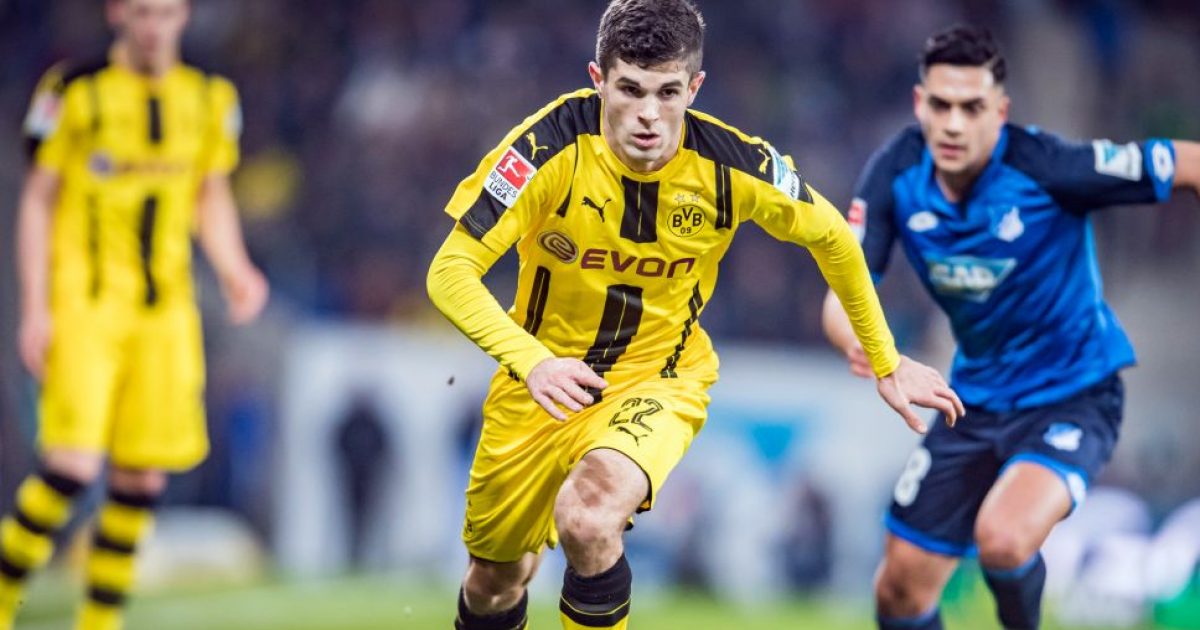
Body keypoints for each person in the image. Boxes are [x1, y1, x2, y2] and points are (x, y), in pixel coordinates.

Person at [426, 1, 963, 628]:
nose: (649, 114)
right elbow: (449, 271)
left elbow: (834, 239)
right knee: (495, 582)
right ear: (598, 80)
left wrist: (886, 359)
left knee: (589, 516)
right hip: (537, 385)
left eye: (668, 93)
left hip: (658, 378)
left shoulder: (731, 164)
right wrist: (533, 361)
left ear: (694, 88)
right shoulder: (547, 149)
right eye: (630, 89)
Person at [820, 24, 1200, 630]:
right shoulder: (895, 173)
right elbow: (841, 298)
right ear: (920, 104)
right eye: (941, 105)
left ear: (1000, 112)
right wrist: (878, 352)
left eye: (971, 108)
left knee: (1002, 538)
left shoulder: (1047, 165)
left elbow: (1187, 162)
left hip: (1074, 396)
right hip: (974, 402)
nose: (953, 124)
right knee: (898, 590)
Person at [1, 0, 267, 628]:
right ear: (117, 13)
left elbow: (210, 193)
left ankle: (100, 622)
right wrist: (35, 306)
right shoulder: (72, 90)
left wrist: (235, 266)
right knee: (70, 468)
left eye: (166, 13)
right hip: (87, 303)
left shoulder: (210, 98)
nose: (153, 27)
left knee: (142, 478)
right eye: (142, 13)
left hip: (166, 312)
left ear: (185, 16)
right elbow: (39, 199)